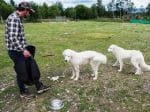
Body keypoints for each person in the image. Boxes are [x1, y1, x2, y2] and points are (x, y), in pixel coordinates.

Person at [5, 2, 49, 98]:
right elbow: (13, 37)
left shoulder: (17, 18)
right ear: (25, 10)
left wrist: (25, 47)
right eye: (28, 12)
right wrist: (23, 50)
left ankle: (39, 86)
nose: (29, 14)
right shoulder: (13, 19)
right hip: (16, 51)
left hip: (19, 49)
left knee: (30, 66)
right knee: (21, 71)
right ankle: (23, 92)